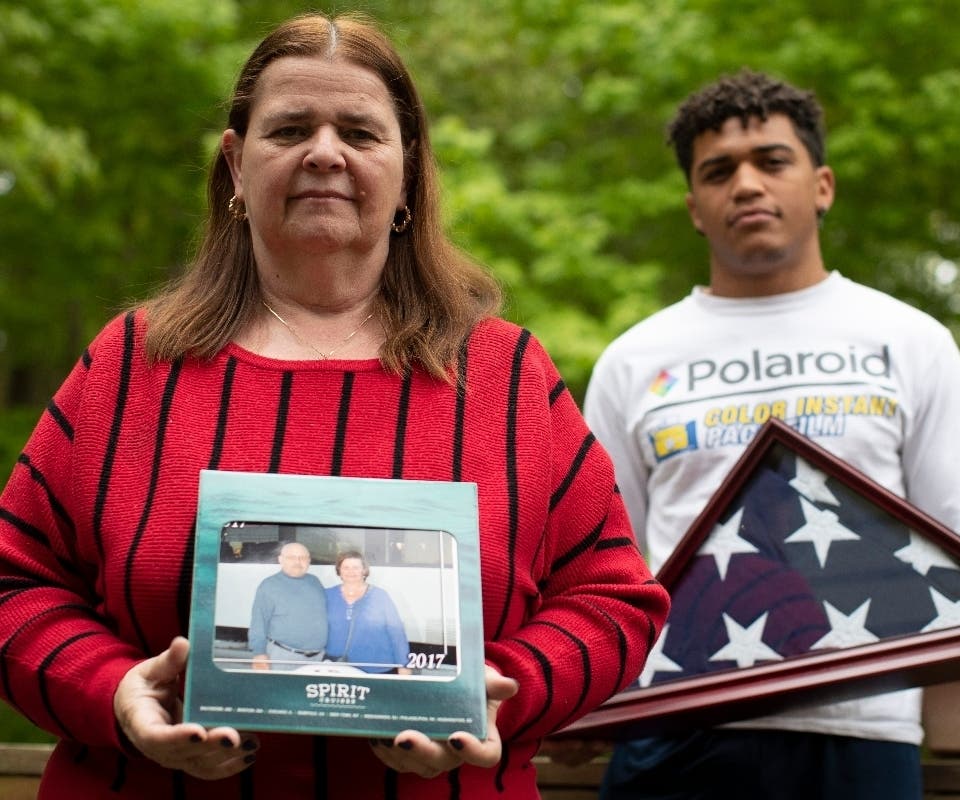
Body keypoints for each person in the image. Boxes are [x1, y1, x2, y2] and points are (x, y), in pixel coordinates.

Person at [0, 12, 669, 799]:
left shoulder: (506, 375)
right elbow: (14, 585)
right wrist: (111, 690)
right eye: (288, 129)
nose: (324, 152)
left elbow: (613, 601)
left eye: (359, 130)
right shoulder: (131, 365)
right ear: (235, 168)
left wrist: (500, 690)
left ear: (408, 173)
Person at [583, 69, 960, 800]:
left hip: (861, 731)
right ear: (694, 207)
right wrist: (582, 697)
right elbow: (605, 563)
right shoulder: (634, 358)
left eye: (772, 160)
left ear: (821, 184)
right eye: (719, 171)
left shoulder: (908, 340)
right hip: (669, 728)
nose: (747, 184)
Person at [324, 550, 411, 674]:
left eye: (356, 567)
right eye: (346, 567)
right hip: (337, 667)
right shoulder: (328, 595)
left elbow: (397, 633)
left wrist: (404, 666)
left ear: (364, 571)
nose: (351, 571)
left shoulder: (380, 596)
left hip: (376, 667)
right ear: (339, 571)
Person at [248, 542, 328, 670]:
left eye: (302, 558)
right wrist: (259, 653)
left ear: (309, 561)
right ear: (280, 560)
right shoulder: (269, 585)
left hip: (317, 659)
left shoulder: (315, 581)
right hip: (283, 657)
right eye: (291, 557)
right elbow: (259, 622)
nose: (298, 562)